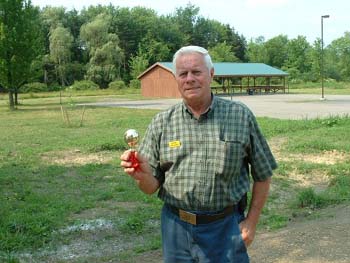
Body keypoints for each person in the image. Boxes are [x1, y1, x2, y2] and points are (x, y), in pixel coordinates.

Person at [120, 45, 277, 262]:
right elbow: (150, 187)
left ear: (211, 74)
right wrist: (142, 175)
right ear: (176, 78)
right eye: (183, 74)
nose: (189, 79)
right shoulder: (162, 122)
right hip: (176, 229)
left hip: (225, 228)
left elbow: (263, 174)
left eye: (196, 72)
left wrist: (251, 222)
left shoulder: (240, 116)